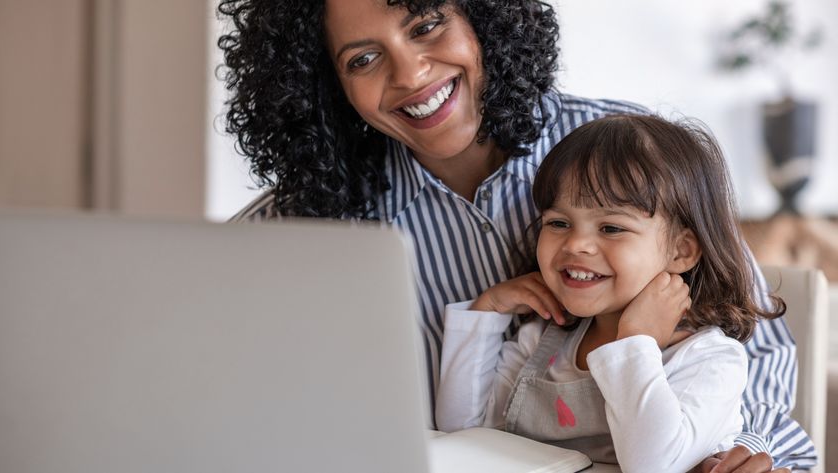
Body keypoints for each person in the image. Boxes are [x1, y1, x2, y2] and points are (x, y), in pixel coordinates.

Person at [218, 0, 815, 470]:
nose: (411, 73)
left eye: (427, 24)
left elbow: (756, 344)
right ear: (327, 89)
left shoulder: (634, 154)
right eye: (362, 59)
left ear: (483, 16)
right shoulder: (299, 224)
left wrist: (736, 449)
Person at [434, 113, 784, 472]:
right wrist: (487, 311)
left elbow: (653, 466)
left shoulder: (707, 359)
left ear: (680, 250)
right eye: (558, 223)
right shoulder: (542, 341)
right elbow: (462, 430)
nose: (577, 244)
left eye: (612, 228)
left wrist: (636, 341)